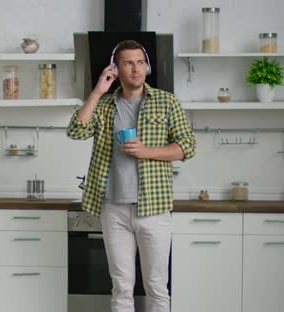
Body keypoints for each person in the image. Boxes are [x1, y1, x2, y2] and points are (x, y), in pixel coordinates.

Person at [66, 40, 196, 312]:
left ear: (146, 67)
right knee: (122, 286)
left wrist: (146, 150)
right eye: (128, 63)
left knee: (157, 285)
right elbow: (76, 130)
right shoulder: (104, 105)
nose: (136, 68)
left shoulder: (167, 102)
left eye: (140, 62)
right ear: (117, 69)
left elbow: (187, 147)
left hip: (155, 207)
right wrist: (98, 89)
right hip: (113, 208)